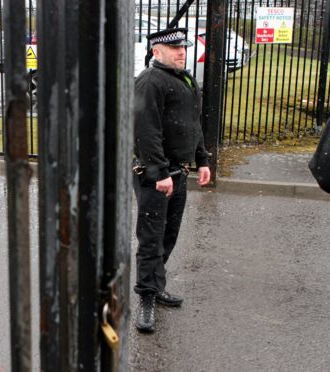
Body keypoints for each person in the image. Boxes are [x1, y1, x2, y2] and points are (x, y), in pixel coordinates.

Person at [133, 27, 211, 333]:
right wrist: (158, 173)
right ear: (157, 52)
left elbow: (194, 124)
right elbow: (145, 130)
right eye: (175, 48)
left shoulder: (186, 80)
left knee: (169, 234)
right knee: (151, 237)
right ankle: (146, 298)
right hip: (157, 176)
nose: (182, 52)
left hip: (179, 172)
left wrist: (202, 160)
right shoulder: (151, 81)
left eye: (184, 47)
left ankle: (157, 283)